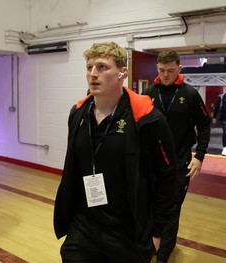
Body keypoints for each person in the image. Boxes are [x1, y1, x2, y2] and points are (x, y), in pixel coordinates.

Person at [53, 42, 178, 263]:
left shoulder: (148, 118)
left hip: (127, 229)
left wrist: (158, 233)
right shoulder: (78, 113)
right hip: (84, 224)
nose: (93, 73)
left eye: (102, 67)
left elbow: (168, 176)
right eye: (89, 67)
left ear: (123, 73)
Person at [142, 50, 211, 263]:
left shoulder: (189, 94)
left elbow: (205, 125)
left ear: (179, 69)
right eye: (162, 70)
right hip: (151, 163)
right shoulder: (149, 93)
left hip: (179, 163)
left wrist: (199, 156)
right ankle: (149, 245)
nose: (165, 75)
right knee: (150, 205)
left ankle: (164, 253)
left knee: (172, 209)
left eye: (171, 71)